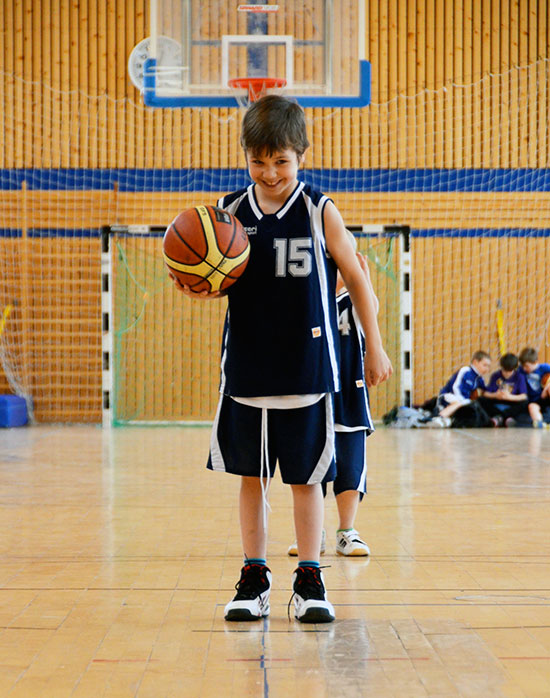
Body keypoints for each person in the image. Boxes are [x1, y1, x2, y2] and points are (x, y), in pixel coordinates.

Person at [171, 95, 392, 623]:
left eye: (281, 161)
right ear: (245, 157)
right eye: (259, 161)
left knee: (306, 479)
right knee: (251, 478)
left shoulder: (319, 209)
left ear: (302, 157)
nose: (270, 173)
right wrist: (197, 284)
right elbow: (215, 280)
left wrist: (375, 343)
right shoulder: (227, 213)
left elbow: (356, 278)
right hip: (247, 366)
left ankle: (310, 579)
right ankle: (254, 578)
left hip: (306, 367)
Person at [288, 238, 375, 558]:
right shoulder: (308, 296)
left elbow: (372, 311)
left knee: (350, 467)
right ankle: (314, 533)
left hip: (350, 395)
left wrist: (362, 280)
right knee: (311, 468)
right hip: (313, 392)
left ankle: (346, 531)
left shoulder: (355, 299)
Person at [435, 350, 492, 423]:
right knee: (459, 403)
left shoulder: (479, 378)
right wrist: (464, 401)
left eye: (488, 366)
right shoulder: (466, 371)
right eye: (485, 365)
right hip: (448, 396)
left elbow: (486, 389)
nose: (487, 369)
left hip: (463, 400)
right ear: (475, 362)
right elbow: (455, 388)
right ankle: (439, 418)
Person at [477, 352, 528, 427]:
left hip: (512, 401)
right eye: (505, 370)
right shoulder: (496, 375)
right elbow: (486, 393)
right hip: (498, 399)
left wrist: (510, 397)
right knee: (481, 400)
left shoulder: (519, 377)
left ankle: (499, 418)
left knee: (525, 403)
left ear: (514, 369)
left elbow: (524, 396)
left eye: (509, 371)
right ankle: (505, 418)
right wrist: (495, 395)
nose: (507, 373)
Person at [518, 347, 550, 427]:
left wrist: (546, 387)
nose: (524, 368)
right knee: (532, 407)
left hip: (546, 398)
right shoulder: (521, 371)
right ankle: (540, 423)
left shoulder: (544, 367)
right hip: (534, 401)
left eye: (527, 366)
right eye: (523, 366)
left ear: (535, 362)